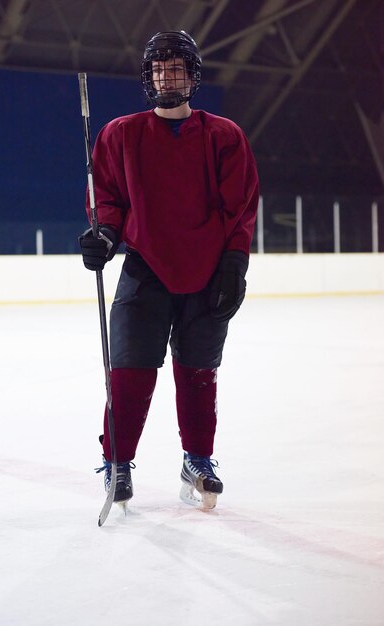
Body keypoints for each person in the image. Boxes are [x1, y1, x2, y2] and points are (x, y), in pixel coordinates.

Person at [79, 30, 259, 509]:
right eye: (159, 68)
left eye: (175, 67)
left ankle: (197, 458)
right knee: (129, 373)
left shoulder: (225, 136)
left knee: (200, 372)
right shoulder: (120, 134)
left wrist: (235, 263)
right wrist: (103, 234)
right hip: (145, 270)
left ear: (192, 75)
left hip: (207, 272)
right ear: (148, 77)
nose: (167, 76)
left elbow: (239, 206)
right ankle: (117, 463)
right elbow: (110, 200)